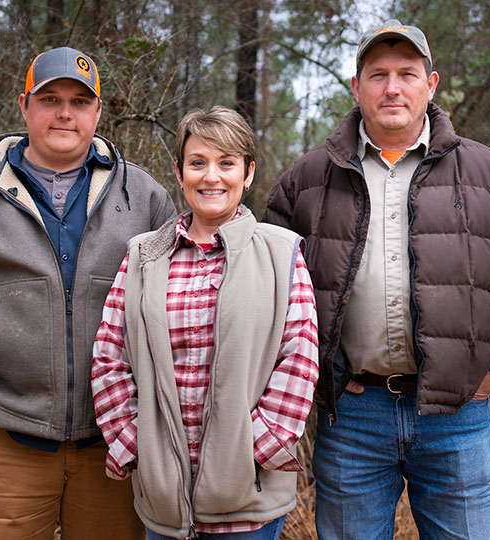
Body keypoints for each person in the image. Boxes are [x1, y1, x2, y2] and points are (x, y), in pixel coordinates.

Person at [263, 19, 490, 540]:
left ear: (432, 84)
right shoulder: (307, 180)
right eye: (377, 75)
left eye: (407, 73)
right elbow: (268, 291)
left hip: (457, 418)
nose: (393, 87)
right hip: (353, 417)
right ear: (356, 87)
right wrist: (317, 376)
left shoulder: (488, 173)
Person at [0, 46, 176, 538]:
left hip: (115, 440)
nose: (65, 113)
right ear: (24, 105)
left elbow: (179, 300)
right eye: (50, 99)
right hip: (4, 437)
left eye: (79, 100)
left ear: (98, 111)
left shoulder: (144, 197)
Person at [91, 106, 319, 540]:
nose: (211, 176)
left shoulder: (280, 253)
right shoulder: (143, 255)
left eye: (227, 163)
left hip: (247, 500)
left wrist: (254, 449)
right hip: (163, 501)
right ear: (179, 173)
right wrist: (135, 441)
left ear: (248, 173)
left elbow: (300, 355)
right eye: (198, 163)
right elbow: (109, 354)